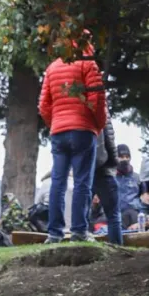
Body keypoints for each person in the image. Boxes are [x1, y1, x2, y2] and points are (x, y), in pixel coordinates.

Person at [38, 39, 106, 243]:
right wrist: (97, 125)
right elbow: (97, 98)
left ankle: (54, 233)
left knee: (57, 182)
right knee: (82, 182)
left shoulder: (52, 67)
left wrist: (56, 122)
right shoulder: (88, 64)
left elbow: (43, 105)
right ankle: (78, 231)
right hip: (83, 130)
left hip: (59, 131)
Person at [91, 120, 123, 245]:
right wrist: (114, 161)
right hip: (104, 169)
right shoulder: (102, 107)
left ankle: (81, 241)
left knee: (82, 212)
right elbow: (109, 138)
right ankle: (117, 247)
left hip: (86, 169)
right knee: (114, 215)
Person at [114, 144, 143, 228]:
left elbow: (144, 198)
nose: (125, 159)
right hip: (115, 214)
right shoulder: (110, 177)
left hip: (133, 214)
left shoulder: (137, 178)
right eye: (121, 157)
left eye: (127, 157)